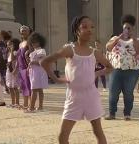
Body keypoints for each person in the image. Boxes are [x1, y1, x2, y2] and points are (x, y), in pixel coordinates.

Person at [41, 15, 112, 144]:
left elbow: (109, 67)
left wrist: (96, 74)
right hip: (74, 97)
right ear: (76, 31)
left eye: (91, 27)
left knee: (97, 131)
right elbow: (45, 62)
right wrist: (56, 79)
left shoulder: (95, 52)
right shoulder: (69, 49)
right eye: (84, 27)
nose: (89, 29)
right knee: (63, 136)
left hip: (91, 96)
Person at [105, 14, 139, 120]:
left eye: (129, 28)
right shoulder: (115, 38)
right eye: (125, 28)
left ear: (133, 28)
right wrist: (117, 39)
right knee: (113, 92)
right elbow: (108, 48)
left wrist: (134, 39)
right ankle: (111, 113)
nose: (127, 30)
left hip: (132, 71)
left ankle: (127, 113)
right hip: (116, 69)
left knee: (128, 93)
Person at [25, 32, 48, 113]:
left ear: (40, 42)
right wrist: (29, 67)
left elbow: (42, 61)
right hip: (34, 72)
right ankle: (40, 107)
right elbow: (32, 62)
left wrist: (33, 63)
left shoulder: (41, 51)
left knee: (35, 89)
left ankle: (31, 108)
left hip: (38, 72)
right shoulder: (32, 52)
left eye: (36, 42)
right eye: (33, 42)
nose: (34, 43)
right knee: (39, 89)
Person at [17, 25, 32, 110]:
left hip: (27, 66)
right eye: (22, 30)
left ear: (29, 32)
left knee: (29, 86)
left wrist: (29, 66)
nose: (23, 32)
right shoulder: (20, 44)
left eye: (25, 30)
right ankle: (25, 104)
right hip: (20, 67)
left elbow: (31, 54)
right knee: (23, 86)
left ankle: (31, 104)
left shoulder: (30, 42)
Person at [5, 38, 20, 108]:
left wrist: (11, 50)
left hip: (14, 71)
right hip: (9, 70)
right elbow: (9, 61)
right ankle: (13, 102)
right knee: (10, 87)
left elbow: (15, 60)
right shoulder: (8, 52)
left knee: (15, 87)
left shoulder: (15, 52)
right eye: (8, 45)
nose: (8, 46)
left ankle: (17, 103)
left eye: (10, 44)